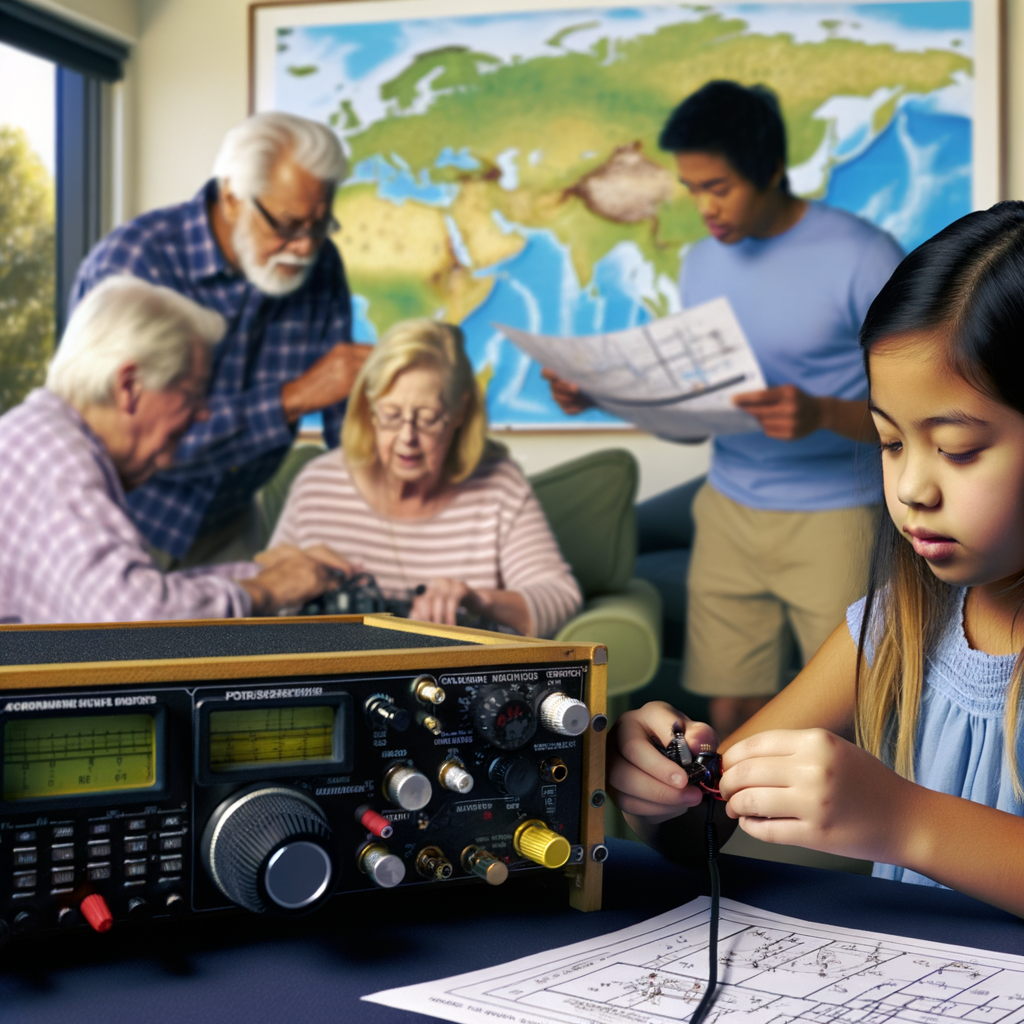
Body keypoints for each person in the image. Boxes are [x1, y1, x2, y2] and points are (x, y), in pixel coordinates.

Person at [608, 203, 1024, 916]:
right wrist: (662, 789)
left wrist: (905, 821)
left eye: (956, 449)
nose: (911, 489)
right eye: (892, 443)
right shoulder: (900, 623)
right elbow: (704, 825)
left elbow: (905, 824)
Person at [545, 81, 905, 737]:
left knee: (858, 707)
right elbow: (696, 411)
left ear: (770, 170)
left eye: (719, 187)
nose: (704, 207)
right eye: (692, 187)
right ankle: (730, 842)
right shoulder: (702, 263)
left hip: (838, 516)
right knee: (728, 711)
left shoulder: (863, 256)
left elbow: (916, 404)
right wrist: (601, 394)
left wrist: (823, 412)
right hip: (729, 510)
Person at [70, 112, 371, 568]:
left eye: (319, 225)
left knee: (242, 641)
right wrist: (292, 398)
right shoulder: (137, 263)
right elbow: (139, 439)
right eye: (288, 225)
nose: (306, 247)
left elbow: (344, 419)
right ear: (231, 196)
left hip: (231, 524)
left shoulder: (320, 263)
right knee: (120, 644)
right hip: (123, 526)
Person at [0, 276, 345, 624]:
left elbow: (141, 591)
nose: (204, 413)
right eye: (192, 393)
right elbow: (134, 619)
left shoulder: (41, 437)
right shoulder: (59, 460)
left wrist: (260, 573)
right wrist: (268, 590)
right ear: (129, 388)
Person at [268, 319, 583, 637]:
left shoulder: (498, 485)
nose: (407, 437)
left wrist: (476, 599)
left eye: (428, 419)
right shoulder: (318, 483)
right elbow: (259, 593)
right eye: (391, 415)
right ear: (370, 409)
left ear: (459, 412)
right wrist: (298, 575)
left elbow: (561, 598)